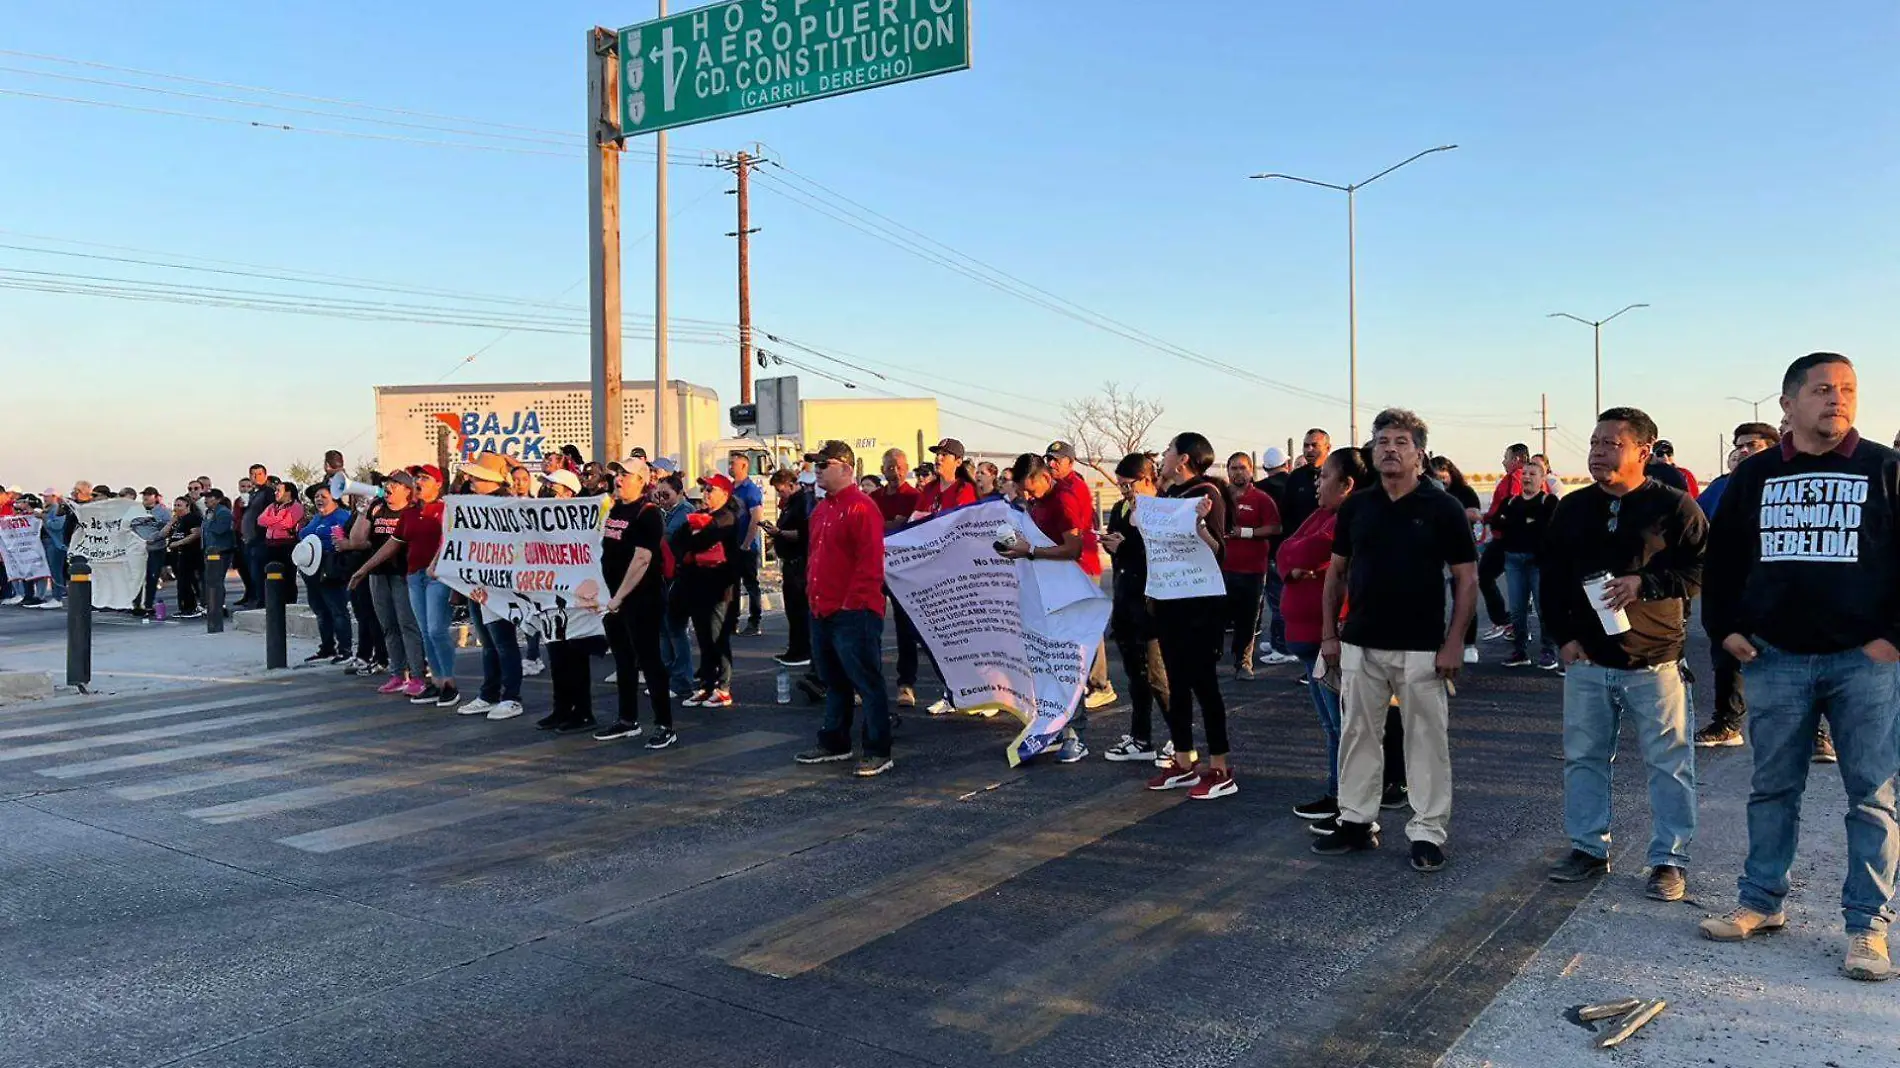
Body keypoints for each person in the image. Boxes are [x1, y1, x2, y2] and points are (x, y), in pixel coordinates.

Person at [1698, 352, 1900, 982]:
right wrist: (1725, 628)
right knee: (1772, 789)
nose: (1836, 400)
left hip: (1863, 662)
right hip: (1775, 659)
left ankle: (1868, 927)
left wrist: (1893, 639)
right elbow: (1723, 559)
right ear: (1787, 405)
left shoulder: (1885, 469)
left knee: (1873, 797)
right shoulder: (1755, 476)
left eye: (1846, 389)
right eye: (1820, 390)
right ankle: (1761, 903)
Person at [1539, 407, 1707, 902]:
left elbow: (1702, 571)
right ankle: (1588, 848)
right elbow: (1552, 580)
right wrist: (1564, 638)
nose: (1597, 451)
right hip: (1588, 662)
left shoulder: (1675, 508)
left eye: (1611, 443)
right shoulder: (1571, 508)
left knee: (1669, 763)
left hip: (1655, 662)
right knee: (1585, 758)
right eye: (1594, 442)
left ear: (1643, 451)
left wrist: (1645, 583)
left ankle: (1669, 860)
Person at [1316, 409, 1478, 872]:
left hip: (1422, 647)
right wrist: (1330, 634)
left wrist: (1454, 644)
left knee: (1426, 741)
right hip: (1360, 642)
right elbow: (1337, 573)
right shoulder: (1357, 506)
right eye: (1382, 440)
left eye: (1401, 441)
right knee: (1357, 735)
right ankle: (1356, 820)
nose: (1389, 448)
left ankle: (1427, 831)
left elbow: (1466, 580)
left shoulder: (1442, 507)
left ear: (1420, 454)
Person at [1140, 433, 1236, 799]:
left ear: (1183, 459)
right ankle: (1183, 760)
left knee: (1205, 686)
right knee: (1177, 683)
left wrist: (1200, 528)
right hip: (1170, 603)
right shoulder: (1169, 497)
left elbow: (1219, 551)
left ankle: (1221, 766)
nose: (1163, 457)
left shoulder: (1206, 493)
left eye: (1168, 451)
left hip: (1200, 606)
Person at [794, 440, 895, 777]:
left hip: (854, 612)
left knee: (867, 682)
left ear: (846, 468)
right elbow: (816, 558)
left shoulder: (861, 507)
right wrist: (814, 595)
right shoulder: (822, 509)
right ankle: (835, 740)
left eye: (824, 465)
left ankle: (878, 749)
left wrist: (852, 604)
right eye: (816, 466)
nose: (818, 471)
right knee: (834, 680)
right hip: (824, 609)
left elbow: (870, 564)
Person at [1282, 447, 1370, 829]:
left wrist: (1296, 555)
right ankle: (1338, 795)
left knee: (1342, 726)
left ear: (1347, 484)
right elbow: (1286, 550)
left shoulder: (1344, 522)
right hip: (1308, 643)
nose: (1317, 483)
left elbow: (1310, 549)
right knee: (1331, 726)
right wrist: (1293, 560)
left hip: (1329, 642)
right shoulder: (1320, 515)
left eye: (1324, 477)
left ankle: (1347, 802)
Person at [1695, 422, 1782, 747]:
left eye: (1753, 445)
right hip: (1731, 588)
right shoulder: (1722, 486)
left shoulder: (1787, 483)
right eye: (1739, 445)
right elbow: (1696, 522)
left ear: (1774, 447)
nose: (1743, 451)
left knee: (1792, 661)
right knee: (1727, 659)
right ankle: (1727, 723)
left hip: (1777, 591)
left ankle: (1814, 733)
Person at [591, 460, 677, 747]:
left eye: (626, 475)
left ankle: (665, 725)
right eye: (618, 474)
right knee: (623, 659)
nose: (619, 479)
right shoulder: (615, 509)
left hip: (641, 599)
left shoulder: (648, 513)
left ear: (641, 480)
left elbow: (642, 560)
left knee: (649, 661)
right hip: (615, 599)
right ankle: (627, 720)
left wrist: (619, 597)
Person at [1099, 453, 1173, 765]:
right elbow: (1122, 554)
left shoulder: (1164, 509)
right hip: (1126, 602)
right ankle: (1140, 738)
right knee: (1135, 677)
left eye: (1129, 486)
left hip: (1154, 607)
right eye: (1120, 486)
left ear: (1147, 479)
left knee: (1159, 677)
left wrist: (1125, 547)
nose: (1124, 492)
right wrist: (1111, 544)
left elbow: (1162, 554)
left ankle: (1180, 739)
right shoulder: (1121, 508)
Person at [1042, 441, 1118, 710]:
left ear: (1070, 463)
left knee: (1087, 627)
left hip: (1081, 566)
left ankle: (1101, 683)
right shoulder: (1059, 489)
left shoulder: (1071, 490)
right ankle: (1085, 680)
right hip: (1068, 568)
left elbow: (1073, 534)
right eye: (1049, 459)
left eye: (1058, 460)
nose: (1052, 464)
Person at [457, 454, 525, 721]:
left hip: (498, 585)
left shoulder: (507, 504)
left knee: (502, 641)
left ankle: (511, 697)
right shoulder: (476, 503)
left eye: (476, 476)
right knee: (488, 642)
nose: (470, 480)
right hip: (477, 581)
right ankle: (490, 694)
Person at [344, 472, 425, 696]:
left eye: (396, 483)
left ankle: (418, 675)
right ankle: (398, 674)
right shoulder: (378, 508)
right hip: (378, 575)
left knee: (407, 624)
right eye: (388, 483)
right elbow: (357, 540)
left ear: (407, 490)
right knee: (388, 625)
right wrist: (364, 510)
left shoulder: (412, 511)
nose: (389, 487)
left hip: (403, 574)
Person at [674, 473, 744, 708]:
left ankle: (723, 687)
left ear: (724, 494)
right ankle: (706, 684)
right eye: (704, 490)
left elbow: (701, 540)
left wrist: (695, 534)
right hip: (698, 585)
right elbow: (679, 538)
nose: (705, 494)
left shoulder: (726, 518)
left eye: (710, 490)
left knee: (718, 637)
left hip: (720, 587)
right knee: (703, 637)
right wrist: (692, 533)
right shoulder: (703, 517)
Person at [1489, 457, 1561, 670]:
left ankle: (1548, 650)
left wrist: (1519, 524)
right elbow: (1497, 522)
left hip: (1538, 564)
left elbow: (1548, 530)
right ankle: (1520, 651)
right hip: (1513, 562)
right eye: (1525, 474)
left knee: (1543, 607)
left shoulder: (1549, 502)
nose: (1527, 478)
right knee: (1518, 609)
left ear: (1542, 479)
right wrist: (1523, 523)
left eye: (1532, 474)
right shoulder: (1510, 502)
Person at [869, 449, 923, 706]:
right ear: (883, 469)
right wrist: (892, 524)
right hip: (875, 567)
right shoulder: (874, 497)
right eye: (890, 467)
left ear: (907, 468)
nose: (895, 471)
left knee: (905, 629)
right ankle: (867, 682)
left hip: (903, 569)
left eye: (900, 467)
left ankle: (906, 684)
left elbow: (918, 529)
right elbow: (870, 526)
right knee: (869, 625)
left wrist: (893, 525)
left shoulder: (915, 497)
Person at [1221, 452, 1281, 679]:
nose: (1238, 472)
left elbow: (1275, 528)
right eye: (1233, 468)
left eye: (1242, 468)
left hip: (1252, 571)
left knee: (1247, 620)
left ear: (1251, 470)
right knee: (1216, 619)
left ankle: (1243, 663)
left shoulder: (1262, 499)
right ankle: (1212, 660)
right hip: (1222, 570)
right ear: (1227, 471)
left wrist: (1245, 533)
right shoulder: (1219, 497)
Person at [1477, 444, 1530, 643]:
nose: (1503, 461)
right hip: (1517, 539)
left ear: (1516, 459)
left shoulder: (1515, 478)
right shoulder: (1528, 476)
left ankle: (1505, 621)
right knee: (1522, 586)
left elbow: (1511, 508)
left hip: (1506, 539)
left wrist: (1486, 518)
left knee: (1485, 575)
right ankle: (1516, 629)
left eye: (1506, 457)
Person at [296, 485, 354, 664]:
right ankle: (327, 647)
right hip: (312, 569)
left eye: (323, 496)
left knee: (337, 610)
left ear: (334, 498)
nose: (318, 499)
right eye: (316, 497)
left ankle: (345, 649)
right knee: (320, 610)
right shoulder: (316, 518)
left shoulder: (343, 517)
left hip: (331, 568)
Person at [651, 474, 697, 697]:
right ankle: (668, 677)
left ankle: (682, 680)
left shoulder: (685, 512)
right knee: (663, 630)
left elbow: (666, 537)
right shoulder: (662, 512)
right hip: (662, 576)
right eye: (658, 494)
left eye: (666, 494)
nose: (662, 499)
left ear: (679, 493)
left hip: (678, 577)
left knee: (676, 630)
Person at [763, 468, 813, 669]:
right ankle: (795, 648)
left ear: (792, 485)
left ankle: (803, 651)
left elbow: (802, 533)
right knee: (792, 610)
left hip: (799, 563)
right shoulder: (790, 504)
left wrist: (779, 533)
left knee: (800, 609)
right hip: (790, 563)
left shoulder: (802, 503)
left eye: (781, 490)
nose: (779, 494)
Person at [728, 453, 767, 636]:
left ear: (744, 466)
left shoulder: (751, 490)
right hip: (732, 545)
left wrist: (746, 543)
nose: (730, 467)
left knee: (751, 584)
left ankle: (754, 622)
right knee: (732, 586)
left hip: (747, 547)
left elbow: (756, 518)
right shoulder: (730, 489)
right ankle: (732, 621)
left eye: (733, 464)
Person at [258, 480, 304, 606]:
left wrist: (272, 521)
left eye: (279, 490)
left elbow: (287, 524)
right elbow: (261, 520)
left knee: (288, 576)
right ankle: (272, 601)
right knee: (269, 573)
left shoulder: (296, 506)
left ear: (288, 492)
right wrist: (278, 519)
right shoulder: (272, 506)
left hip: (287, 545)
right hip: (270, 544)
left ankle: (289, 602)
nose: (276, 493)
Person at [131, 486, 171, 615]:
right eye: (144, 495)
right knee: (138, 577)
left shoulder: (163, 512)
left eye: (149, 495)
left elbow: (168, 528)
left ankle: (148, 604)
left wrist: (156, 538)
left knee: (152, 577)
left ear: (155, 497)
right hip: (139, 549)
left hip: (156, 549)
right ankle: (136, 604)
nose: (146, 497)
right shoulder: (136, 511)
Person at [164, 496, 206, 619]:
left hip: (191, 553)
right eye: (175, 505)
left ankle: (192, 607)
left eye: (179, 505)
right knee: (182, 582)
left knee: (189, 581)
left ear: (188, 506)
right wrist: (171, 522)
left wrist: (178, 543)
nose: (176, 508)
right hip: (178, 555)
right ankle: (185, 607)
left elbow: (196, 534)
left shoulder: (193, 518)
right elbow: (165, 533)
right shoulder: (178, 520)